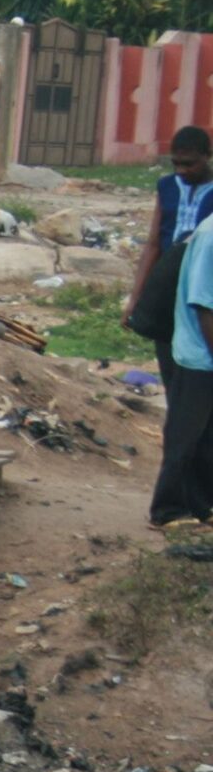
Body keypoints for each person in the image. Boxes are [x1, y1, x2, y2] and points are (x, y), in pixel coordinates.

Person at [129, 125, 213, 388]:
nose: (181, 171)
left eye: (189, 164)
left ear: (207, 156)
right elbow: (154, 243)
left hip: (202, 283)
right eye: (176, 164)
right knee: (168, 358)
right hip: (168, 282)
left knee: (198, 359)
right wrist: (135, 298)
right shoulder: (167, 186)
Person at [160, 181, 213, 531]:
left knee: (206, 437)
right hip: (199, 353)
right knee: (185, 435)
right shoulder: (211, 236)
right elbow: (203, 304)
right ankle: (166, 509)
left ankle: (201, 506)